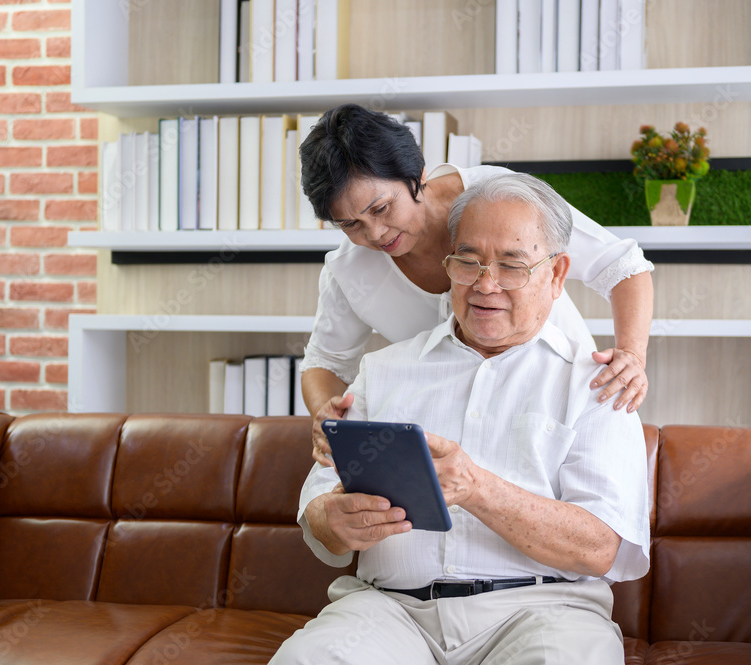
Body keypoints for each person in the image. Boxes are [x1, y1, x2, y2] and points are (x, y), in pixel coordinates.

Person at [271, 173, 650, 665]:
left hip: (544, 611)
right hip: (390, 612)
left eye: (512, 266)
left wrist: (476, 488)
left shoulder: (599, 386)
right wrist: (330, 520)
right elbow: (318, 505)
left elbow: (601, 548)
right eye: (468, 263)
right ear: (448, 266)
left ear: (556, 275)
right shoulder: (382, 371)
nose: (485, 285)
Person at [298, 104, 654, 465]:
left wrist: (632, 354)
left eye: (381, 209)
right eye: (349, 224)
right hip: (455, 436)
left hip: (556, 409)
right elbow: (324, 360)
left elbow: (621, 265)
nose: (374, 233)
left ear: (415, 174)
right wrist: (325, 415)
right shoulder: (349, 270)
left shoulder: (499, 199)